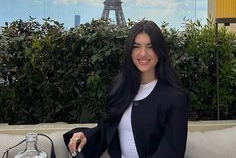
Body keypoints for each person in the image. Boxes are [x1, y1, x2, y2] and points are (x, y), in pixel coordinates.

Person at [63, 20, 189, 158]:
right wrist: (86, 136)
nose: (142, 53)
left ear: (160, 51)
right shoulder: (120, 87)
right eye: (136, 46)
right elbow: (109, 128)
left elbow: (171, 151)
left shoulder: (174, 98)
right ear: (129, 50)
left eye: (150, 46)